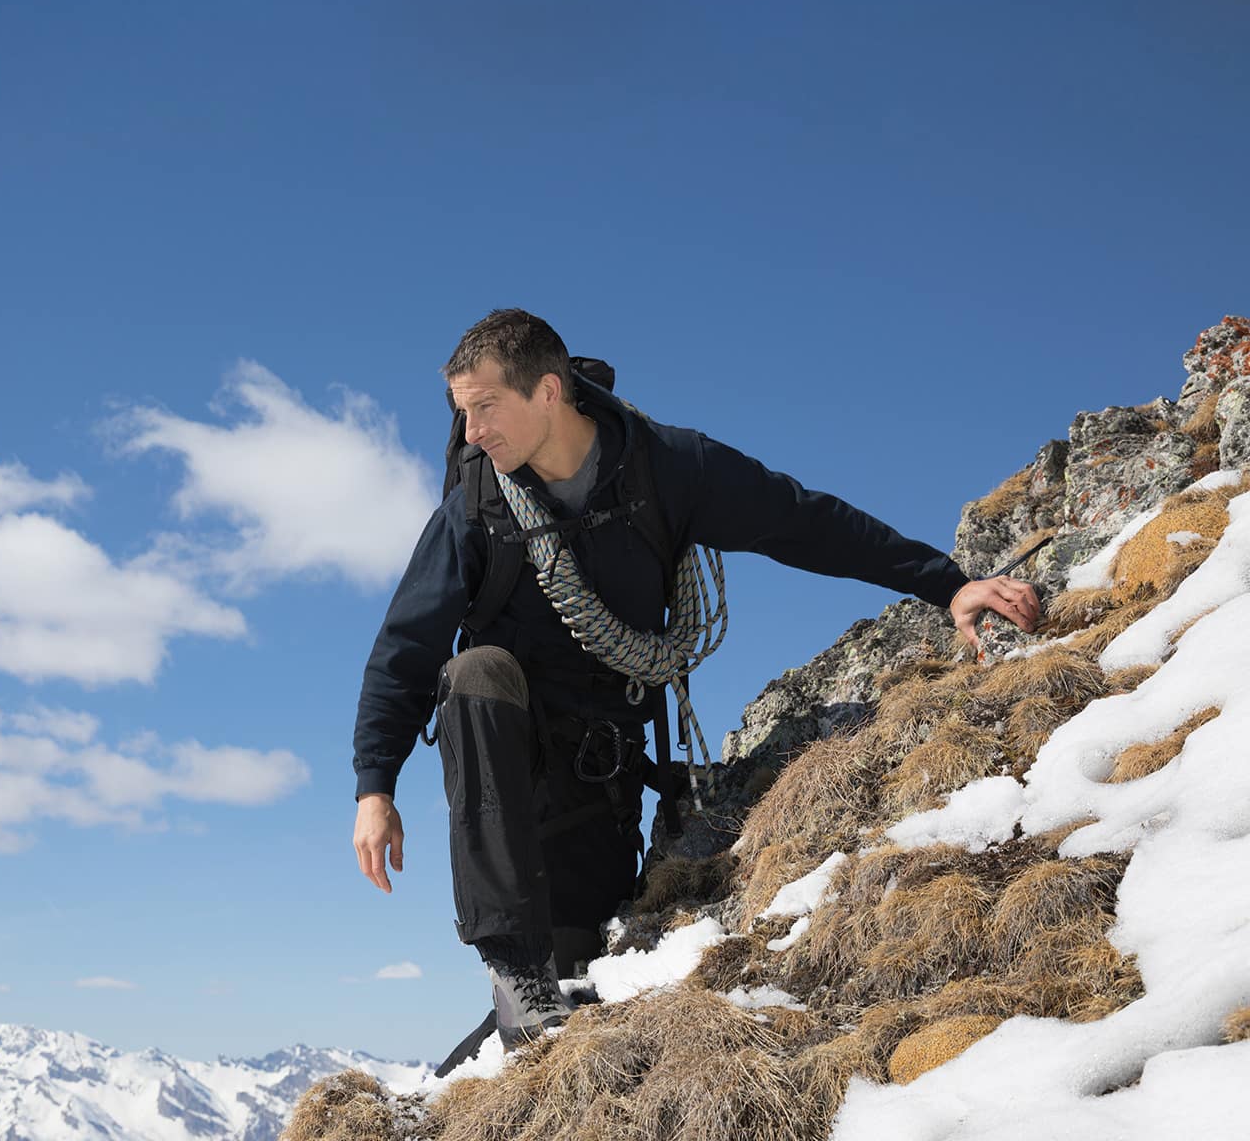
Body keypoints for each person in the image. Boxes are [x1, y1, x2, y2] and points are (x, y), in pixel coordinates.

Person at [350, 308, 1040, 1049]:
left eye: (486, 408)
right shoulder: (475, 510)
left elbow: (803, 521)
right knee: (476, 674)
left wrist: (947, 584)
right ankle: (510, 964)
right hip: (508, 769)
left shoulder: (666, 469)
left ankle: (515, 1007)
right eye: (463, 413)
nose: (472, 433)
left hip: (601, 774)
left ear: (549, 392)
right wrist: (374, 786)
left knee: (577, 987)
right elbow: (406, 648)